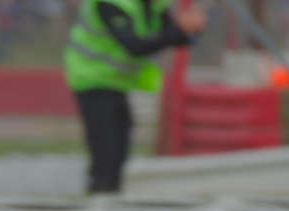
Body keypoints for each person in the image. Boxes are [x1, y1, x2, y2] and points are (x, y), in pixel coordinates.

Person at [64, 0, 207, 194]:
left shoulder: (154, 5)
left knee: (121, 147)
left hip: (118, 81)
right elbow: (133, 46)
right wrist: (178, 31)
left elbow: (174, 36)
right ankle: (99, 191)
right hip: (91, 76)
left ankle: (109, 195)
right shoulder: (111, 4)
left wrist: (192, 29)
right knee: (106, 147)